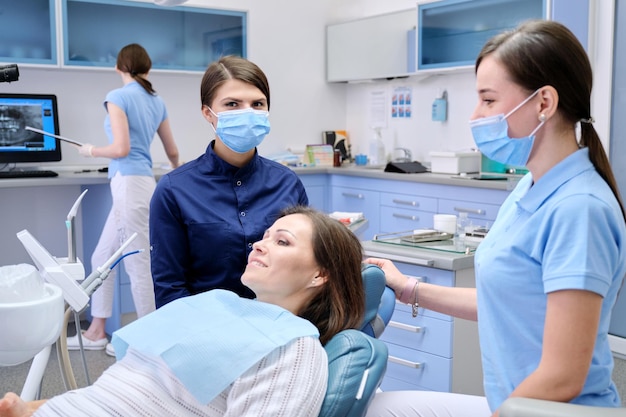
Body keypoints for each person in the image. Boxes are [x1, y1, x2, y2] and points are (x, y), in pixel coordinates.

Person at [365, 20, 626, 417]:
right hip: (514, 403)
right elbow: (508, 301)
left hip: (553, 409)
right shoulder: (529, 187)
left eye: (488, 100)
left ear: (544, 103)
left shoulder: (580, 209)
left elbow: (564, 376)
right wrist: (408, 288)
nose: (475, 115)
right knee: (382, 407)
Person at [0, 206, 365, 416]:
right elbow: (124, 392)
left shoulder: (294, 348)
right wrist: (32, 408)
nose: (259, 245)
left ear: (320, 274)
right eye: (265, 235)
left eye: (282, 241)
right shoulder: (217, 304)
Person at [150, 55, 308, 308]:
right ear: (207, 113)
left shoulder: (287, 183)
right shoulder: (174, 190)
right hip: (205, 329)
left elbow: (305, 267)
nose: (247, 112)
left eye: (257, 103)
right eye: (232, 104)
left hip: (277, 325)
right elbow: (170, 288)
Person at [66, 43, 181, 355]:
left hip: (129, 183)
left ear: (119, 67)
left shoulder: (117, 97)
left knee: (136, 262)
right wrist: (179, 177)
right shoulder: (157, 100)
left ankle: (148, 343)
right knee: (101, 258)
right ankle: (96, 332)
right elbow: (172, 152)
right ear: (147, 68)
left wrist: (90, 150)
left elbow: (120, 149)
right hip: (141, 182)